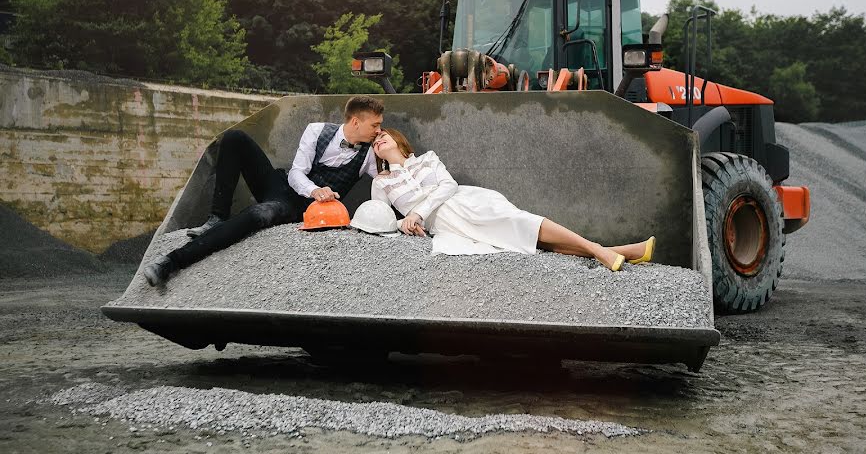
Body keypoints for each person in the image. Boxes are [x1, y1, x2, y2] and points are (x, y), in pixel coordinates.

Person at [143, 96, 385, 286]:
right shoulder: (316, 130)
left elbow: (387, 182)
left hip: (298, 209)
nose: (378, 130)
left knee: (259, 214)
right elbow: (296, 173)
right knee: (234, 138)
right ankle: (216, 218)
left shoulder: (368, 156)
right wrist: (315, 190)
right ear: (356, 121)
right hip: (283, 185)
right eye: (375, 124)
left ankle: (170, 263)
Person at [370, 129, 654, 271]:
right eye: (373, 143)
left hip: (467, 203)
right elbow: (380, 219)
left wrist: (417, 212)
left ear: (398, 139)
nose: (378, 141)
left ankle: (598, 250)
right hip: (446, 225)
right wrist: (404, 224)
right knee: (526, 243)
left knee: (522, 224)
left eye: (382, 135)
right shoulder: (381, 182)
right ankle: (623, 251)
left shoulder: (427, 159)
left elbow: (448, 185)